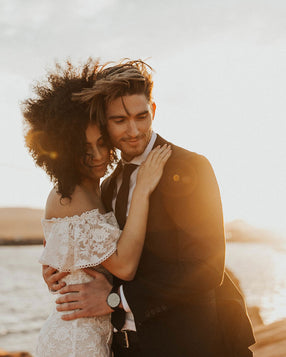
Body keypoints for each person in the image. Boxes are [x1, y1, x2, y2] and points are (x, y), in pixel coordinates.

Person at [44, 60, 255, 356]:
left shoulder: (190, 166)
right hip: (124, 347)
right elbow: (109, 254)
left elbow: (207, 269)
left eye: (142, 117)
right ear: (104, 122)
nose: (133, 130)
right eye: (119, 120)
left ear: (153, 111)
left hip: (189, 344)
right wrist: (62, 265)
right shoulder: (107, 185)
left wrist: (115, 299)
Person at [22, 60, 171, 357]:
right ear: (64, 151)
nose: (98, 156)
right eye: (84, 150)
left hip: (99, 337)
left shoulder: (98, 188)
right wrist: (142, 191)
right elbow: (125, 266)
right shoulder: (72, 195)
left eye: (101, 142)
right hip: (76, 341)